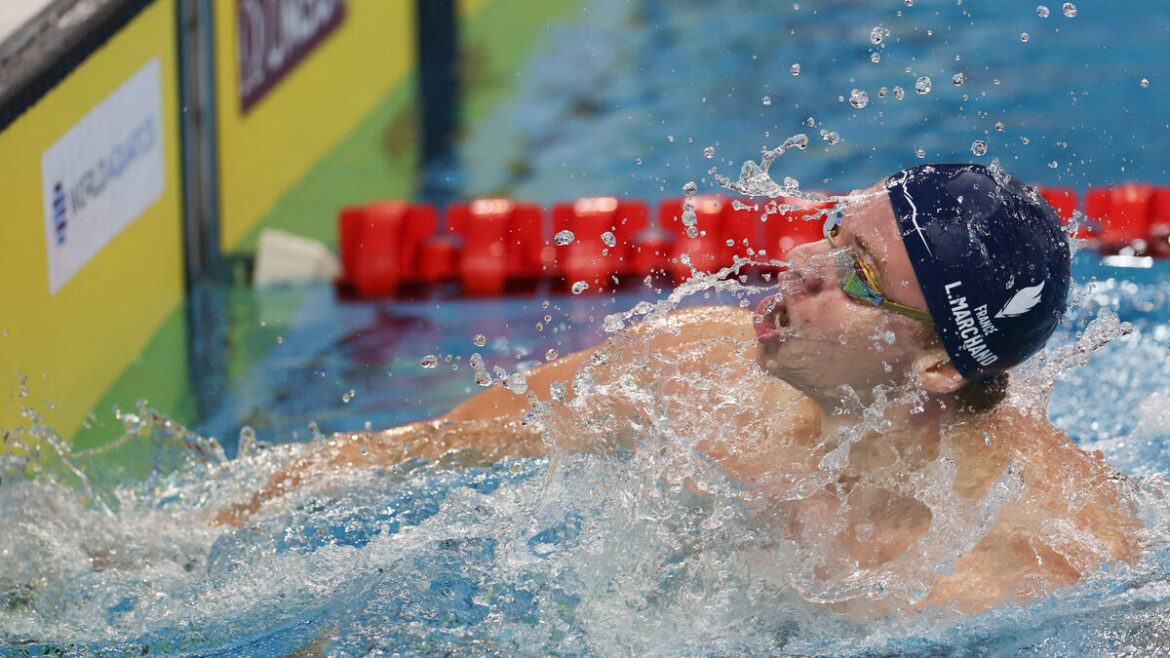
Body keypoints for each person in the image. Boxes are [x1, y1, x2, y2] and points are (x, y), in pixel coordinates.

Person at [215, 163, 1140, 614]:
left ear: (939, 365)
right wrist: (194, 536)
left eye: (858, 275)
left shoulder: (1025, 567)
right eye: (829, 231)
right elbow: (412, 450)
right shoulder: (692, 372)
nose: (799, 266)